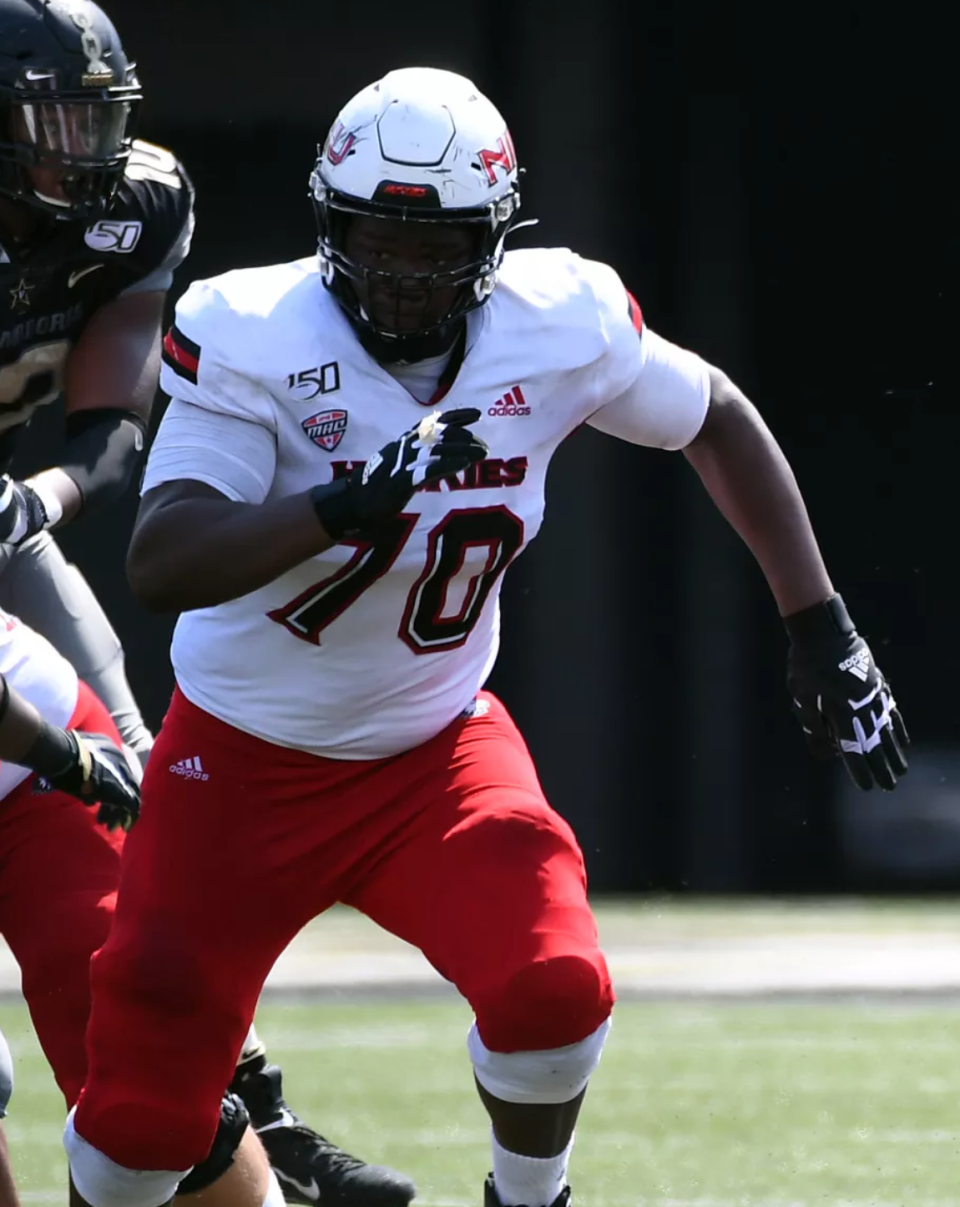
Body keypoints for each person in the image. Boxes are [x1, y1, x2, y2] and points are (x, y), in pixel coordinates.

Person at [64, 65, 909, 1207]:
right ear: (331, 224)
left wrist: (822, 624)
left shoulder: (554, 322)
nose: (405, 274)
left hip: (434, 748)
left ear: (496, 240)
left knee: (555, 984)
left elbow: (715, 416)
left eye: (439, 245)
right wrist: (344, 502)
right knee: (137, 1133)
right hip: (240, 762)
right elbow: (162, 559)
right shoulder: (250, 329)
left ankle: (531, 1197)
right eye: (379, 237)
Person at [0, 4, 415, 1204]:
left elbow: (112, 421)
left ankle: (255, 1113)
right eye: (50, 121)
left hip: (6, 514)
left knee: (137, 779)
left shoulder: (139, 202)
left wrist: (48, 495)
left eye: (98, 118)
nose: (82, 150)